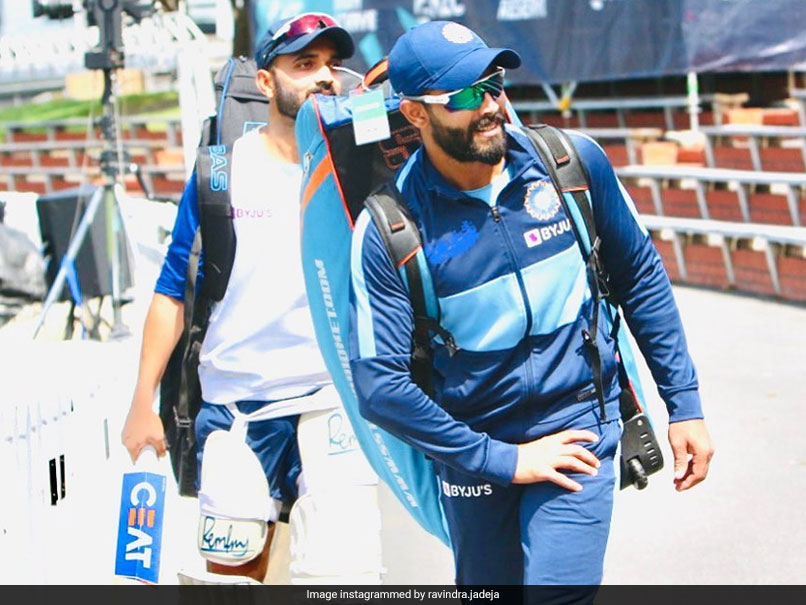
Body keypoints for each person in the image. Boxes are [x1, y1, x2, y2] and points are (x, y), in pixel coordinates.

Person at [349, 21, 714, 586]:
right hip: (472, 452)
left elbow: (640, 276)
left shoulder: (571, 164)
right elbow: (380, 387)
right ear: (416, 113)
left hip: (578, 425)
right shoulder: (389, 229)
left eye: (494, 83)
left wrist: (683, 401)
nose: (492, 104)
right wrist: (503, 460)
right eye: (467, 95)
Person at [121, 13, 381, 584]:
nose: (321, 77)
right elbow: (172, 293)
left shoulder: (357, 165)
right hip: (237, 404)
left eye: (330, 66)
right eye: (304, 64)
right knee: (233, 576)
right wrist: (143, 401)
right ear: (265, 83)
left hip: (330, 398)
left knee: (345, 577)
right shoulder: (219, 172)